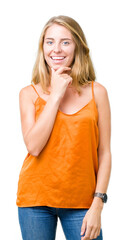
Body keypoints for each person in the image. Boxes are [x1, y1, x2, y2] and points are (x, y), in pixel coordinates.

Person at [16, 15, 111, 240]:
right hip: (35, 200)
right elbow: (34, 146)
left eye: (65, 42)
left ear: (77, 46)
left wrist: (98, 203)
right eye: (50, 42)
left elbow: (104, 152)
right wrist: (56, 93)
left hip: (83, 202)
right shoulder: (28, 94)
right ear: (43, 47)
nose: (56, 49)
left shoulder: (98, 92)